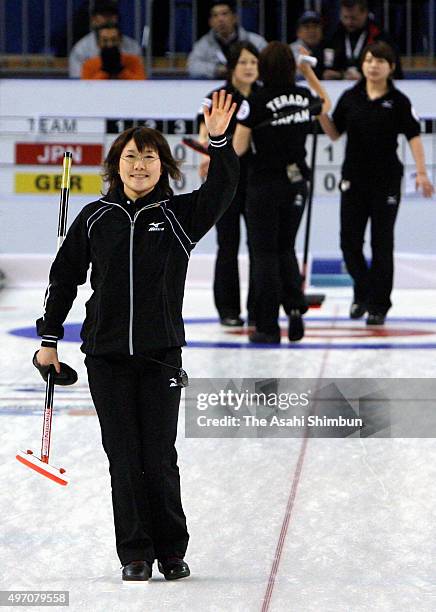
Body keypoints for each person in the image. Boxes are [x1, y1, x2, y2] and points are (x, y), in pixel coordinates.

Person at [34, 92, 238, 582]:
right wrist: (49, 338)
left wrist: (218, 140)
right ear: (116, 166)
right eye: (131, 156)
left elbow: (224, 187)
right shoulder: (93, 218)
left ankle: (171, 550)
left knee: (158, 457)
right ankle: (136, 553)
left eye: (149, 157)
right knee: (123, 459)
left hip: (161, 356)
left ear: (162, 166)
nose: (140, 165)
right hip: (105, 357)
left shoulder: (178, 217)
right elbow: (64, 279)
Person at [319, 41, 434, 325]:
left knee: (382, 244)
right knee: (349, 243)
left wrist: (421, 172)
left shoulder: (399, 101)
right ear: (362, 64)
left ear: (391, 67)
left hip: (386, 182)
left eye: (380, 61)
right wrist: (320, 113)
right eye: (369, 60)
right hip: (353, 181)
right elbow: (334, 134)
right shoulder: (350, 97)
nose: (373, 65)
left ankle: (378, 305)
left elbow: (414, 138)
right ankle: (363, 292)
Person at [233, 42, 331, 344]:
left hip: (264, 183)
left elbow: (238, 148)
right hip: (297, 182)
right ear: (291, 67)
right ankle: (296, 309)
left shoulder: (256, 100)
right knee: (286, 247)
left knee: (264, 254)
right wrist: (308, 73)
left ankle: (267, 326)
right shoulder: (303, 97)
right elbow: (325, 105)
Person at [197, 42, 259, 327]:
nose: (249, 68)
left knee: (260, 245)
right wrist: (205, 155)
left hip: (260, 180)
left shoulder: (263, 96)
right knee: (228, 245)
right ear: (233, 66)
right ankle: (228, 310)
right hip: (227, 183)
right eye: (244, 62)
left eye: (253, 63)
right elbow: (203, 135)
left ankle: (261, 307)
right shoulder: (217, 98)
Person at [323, 0, 403, 80]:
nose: (349, 22)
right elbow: (323, 66)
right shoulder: (333, 36)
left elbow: (394, 71)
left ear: (365, 13)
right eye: (345, 17)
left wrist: (365, 76)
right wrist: (340, 75)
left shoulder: (380, 37)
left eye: (353, 18)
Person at [187, 1, 267, 79]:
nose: (220, 19)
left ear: (234, 18)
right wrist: (217, 69)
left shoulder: (256, 41)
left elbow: (267, 63)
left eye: (224, 14)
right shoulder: (203, 44)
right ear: (210, 22)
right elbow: (193, 67)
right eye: (215, 15)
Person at [69, 1, 141, 78]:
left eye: (112, 15)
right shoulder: (81, 49)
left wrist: (121, 71)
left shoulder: (133, 47)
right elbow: (78, 82)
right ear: (93, 19)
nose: (108, 19)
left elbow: (142, 83)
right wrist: (104, 71)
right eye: (104, 15)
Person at [81, 24, 146, 80]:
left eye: (114, 40)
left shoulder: (133, 61)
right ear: (98, 43)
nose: (110, 45)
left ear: (120, 41)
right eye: (105, 40)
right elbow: (87, 89)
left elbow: (142, 86)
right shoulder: (89, 65)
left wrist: (121, 71)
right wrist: (104, 71)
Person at [290, 11, 326, 80]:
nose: (312, 31)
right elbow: (303, 67)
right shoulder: (292, 49)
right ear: (298, 32)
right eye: (307, 27)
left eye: (315, 27)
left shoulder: (326, 47)